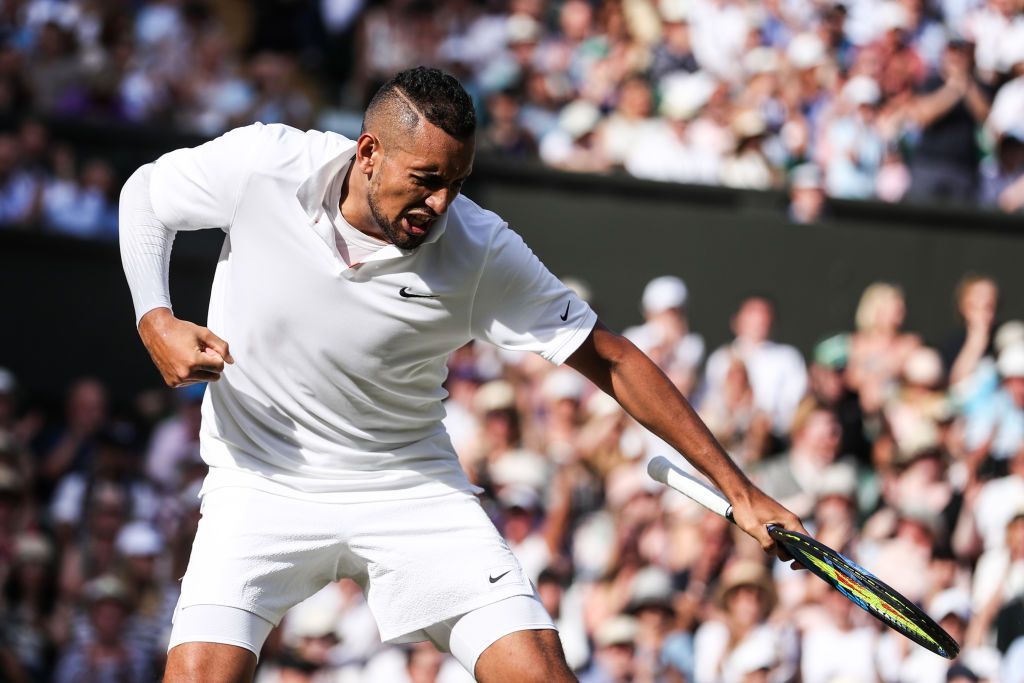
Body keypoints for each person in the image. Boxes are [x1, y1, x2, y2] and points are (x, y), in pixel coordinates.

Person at [118, 66, 804, 682]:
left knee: (537, 670)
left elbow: (613, 358)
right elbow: (145, 195)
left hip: (409, 486)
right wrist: (156, 318)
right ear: (368, 153)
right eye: (426, 180)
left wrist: (740, 492)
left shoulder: (479, 249)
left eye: (457, 183)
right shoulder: (264, 164)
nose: (442, 204)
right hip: (259, 480)